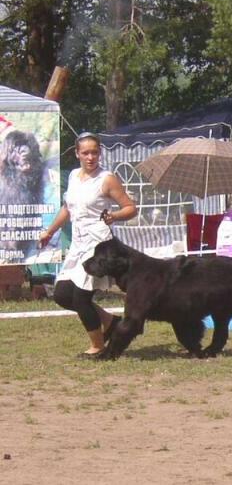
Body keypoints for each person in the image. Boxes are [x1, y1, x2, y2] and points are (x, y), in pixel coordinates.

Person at [39, 132, 138, 357]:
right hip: (77, 244)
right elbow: (68, 208)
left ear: (99, 152)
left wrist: (115, 216)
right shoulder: (74, 176)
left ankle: (98, 347)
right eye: (85, 153)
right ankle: (111, 323)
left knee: (80, 298)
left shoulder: (107, 178)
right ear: (77, 154)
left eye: (94, 152)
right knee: (62, 295)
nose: (91, 157)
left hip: (98, 246)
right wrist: (49, 231)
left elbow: (131, 208)